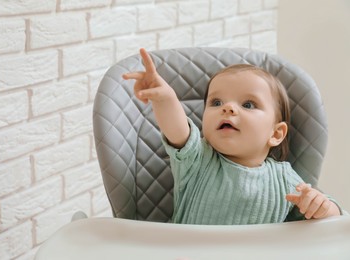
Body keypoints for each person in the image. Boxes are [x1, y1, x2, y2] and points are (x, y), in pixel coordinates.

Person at [123, 48, 343, 225]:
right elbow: (176, 129)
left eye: (248, 104)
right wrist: (165, 98)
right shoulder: (197, 160)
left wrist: (322, 207)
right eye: (216, 102)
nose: (227, 108)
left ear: (276, 134)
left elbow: (330, 222)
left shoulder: (284, 179)